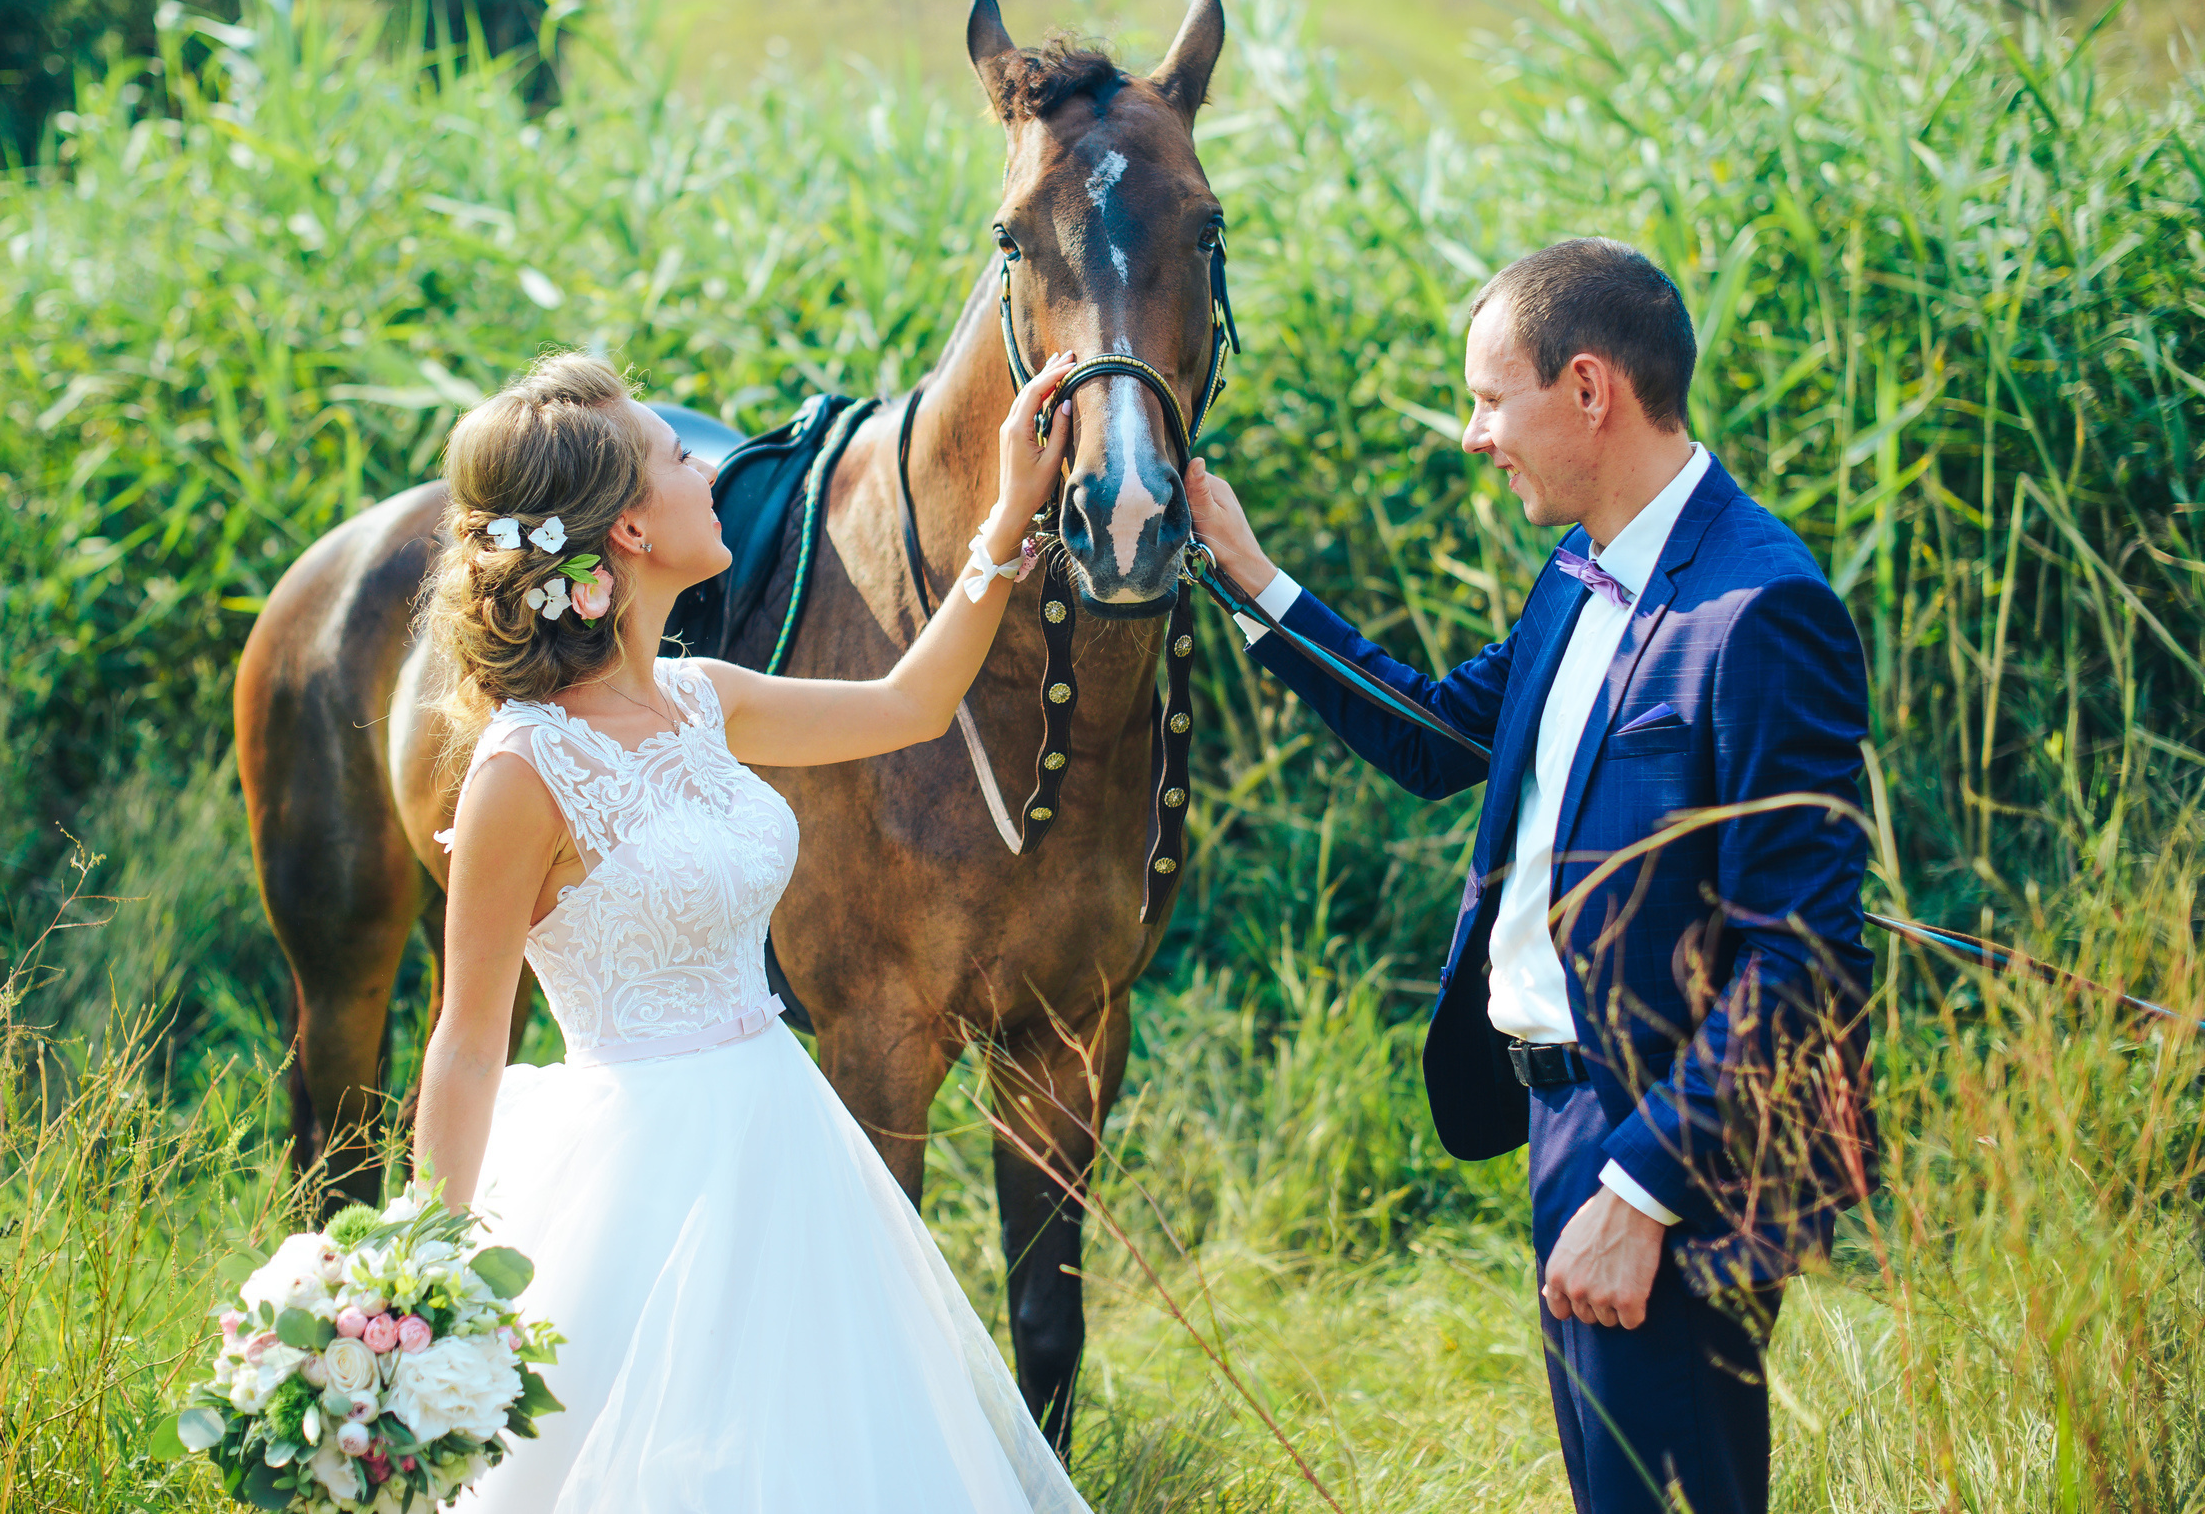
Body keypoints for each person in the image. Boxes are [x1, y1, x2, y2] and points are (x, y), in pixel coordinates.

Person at [1184, 238, 1875, 1514]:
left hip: (1663, 1136)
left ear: (1589, 388)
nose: (1471, 433)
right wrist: (1249, 576)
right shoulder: (1581, 567)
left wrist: (1644, 1186)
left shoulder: (1757, 607)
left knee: (1666, 1494)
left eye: (1489, 398)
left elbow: (1810, 951)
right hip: (1559, 1113)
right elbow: (1444, 736)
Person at [414, 349, 1090, 1513]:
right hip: (641, 1178)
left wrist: (1007, 511)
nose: (708, 471)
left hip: (788, 1142)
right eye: (680, 458)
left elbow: (908, 705)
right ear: (628, 530)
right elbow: (468, 1039)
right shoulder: (522, 769)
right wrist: (418, 1271)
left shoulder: (700, 696)